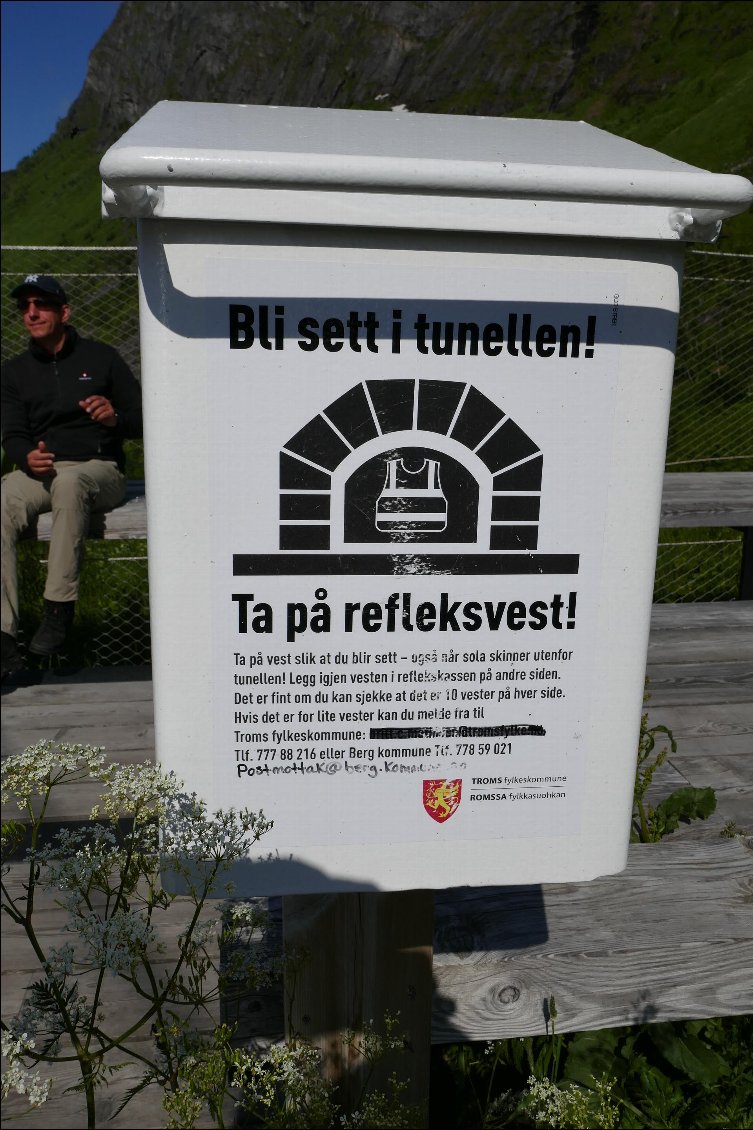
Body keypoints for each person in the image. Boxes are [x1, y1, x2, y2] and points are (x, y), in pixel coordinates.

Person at [1, 274, 143, 678]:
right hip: (41, 472)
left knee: (69, 483)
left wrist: (114, 418)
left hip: (99, 470)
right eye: (25, 306)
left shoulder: (103, 358)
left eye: (41, 304)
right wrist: (27, 456)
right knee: (1, 500)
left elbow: (143, 419)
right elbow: (12, 435)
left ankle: (59, 610)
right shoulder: (13, 372)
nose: (31, 312)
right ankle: (3, 639)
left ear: (64, 311)